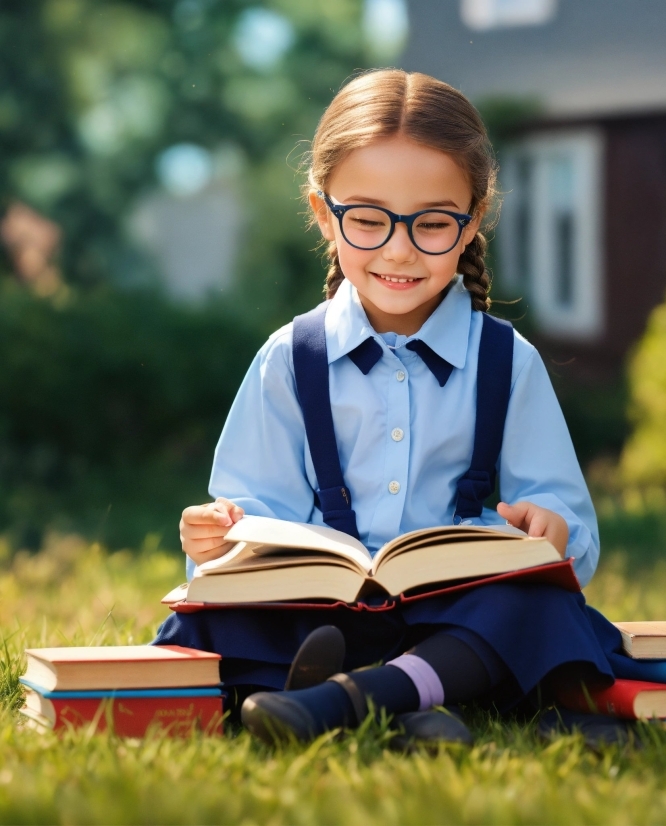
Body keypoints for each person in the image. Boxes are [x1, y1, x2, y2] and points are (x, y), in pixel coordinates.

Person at [153, 69, 615, 744]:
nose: (399, 249)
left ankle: (341, 701)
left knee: (533, 606)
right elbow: (250, 519)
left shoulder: (506, 362)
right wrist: (220, 542)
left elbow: (571, 529)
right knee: (210, 621)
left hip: (456, 619)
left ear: (472, 222)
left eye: (431, 224)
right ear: (323, 214)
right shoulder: (289, 359)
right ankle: (416, 705)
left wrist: (552, 529)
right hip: (322, 617)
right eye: (368, 220)